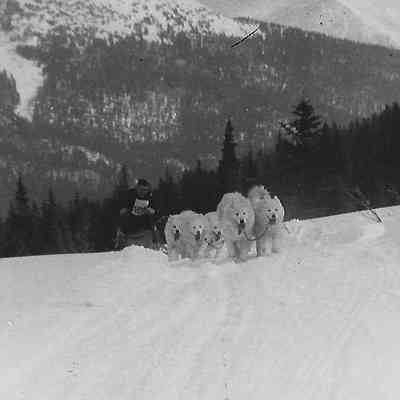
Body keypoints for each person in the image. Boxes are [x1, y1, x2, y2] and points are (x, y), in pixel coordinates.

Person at [114, 179, 158, 250]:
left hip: (146, 228)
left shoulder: (150, 197)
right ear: (137, 188)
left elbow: (156, 211)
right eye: (141, 189)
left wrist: (150, 211)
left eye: (145, 190)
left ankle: (155, 242)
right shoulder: (129, 195)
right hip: (130, 228)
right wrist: (128, 209)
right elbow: (120, 209)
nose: (143, 192)